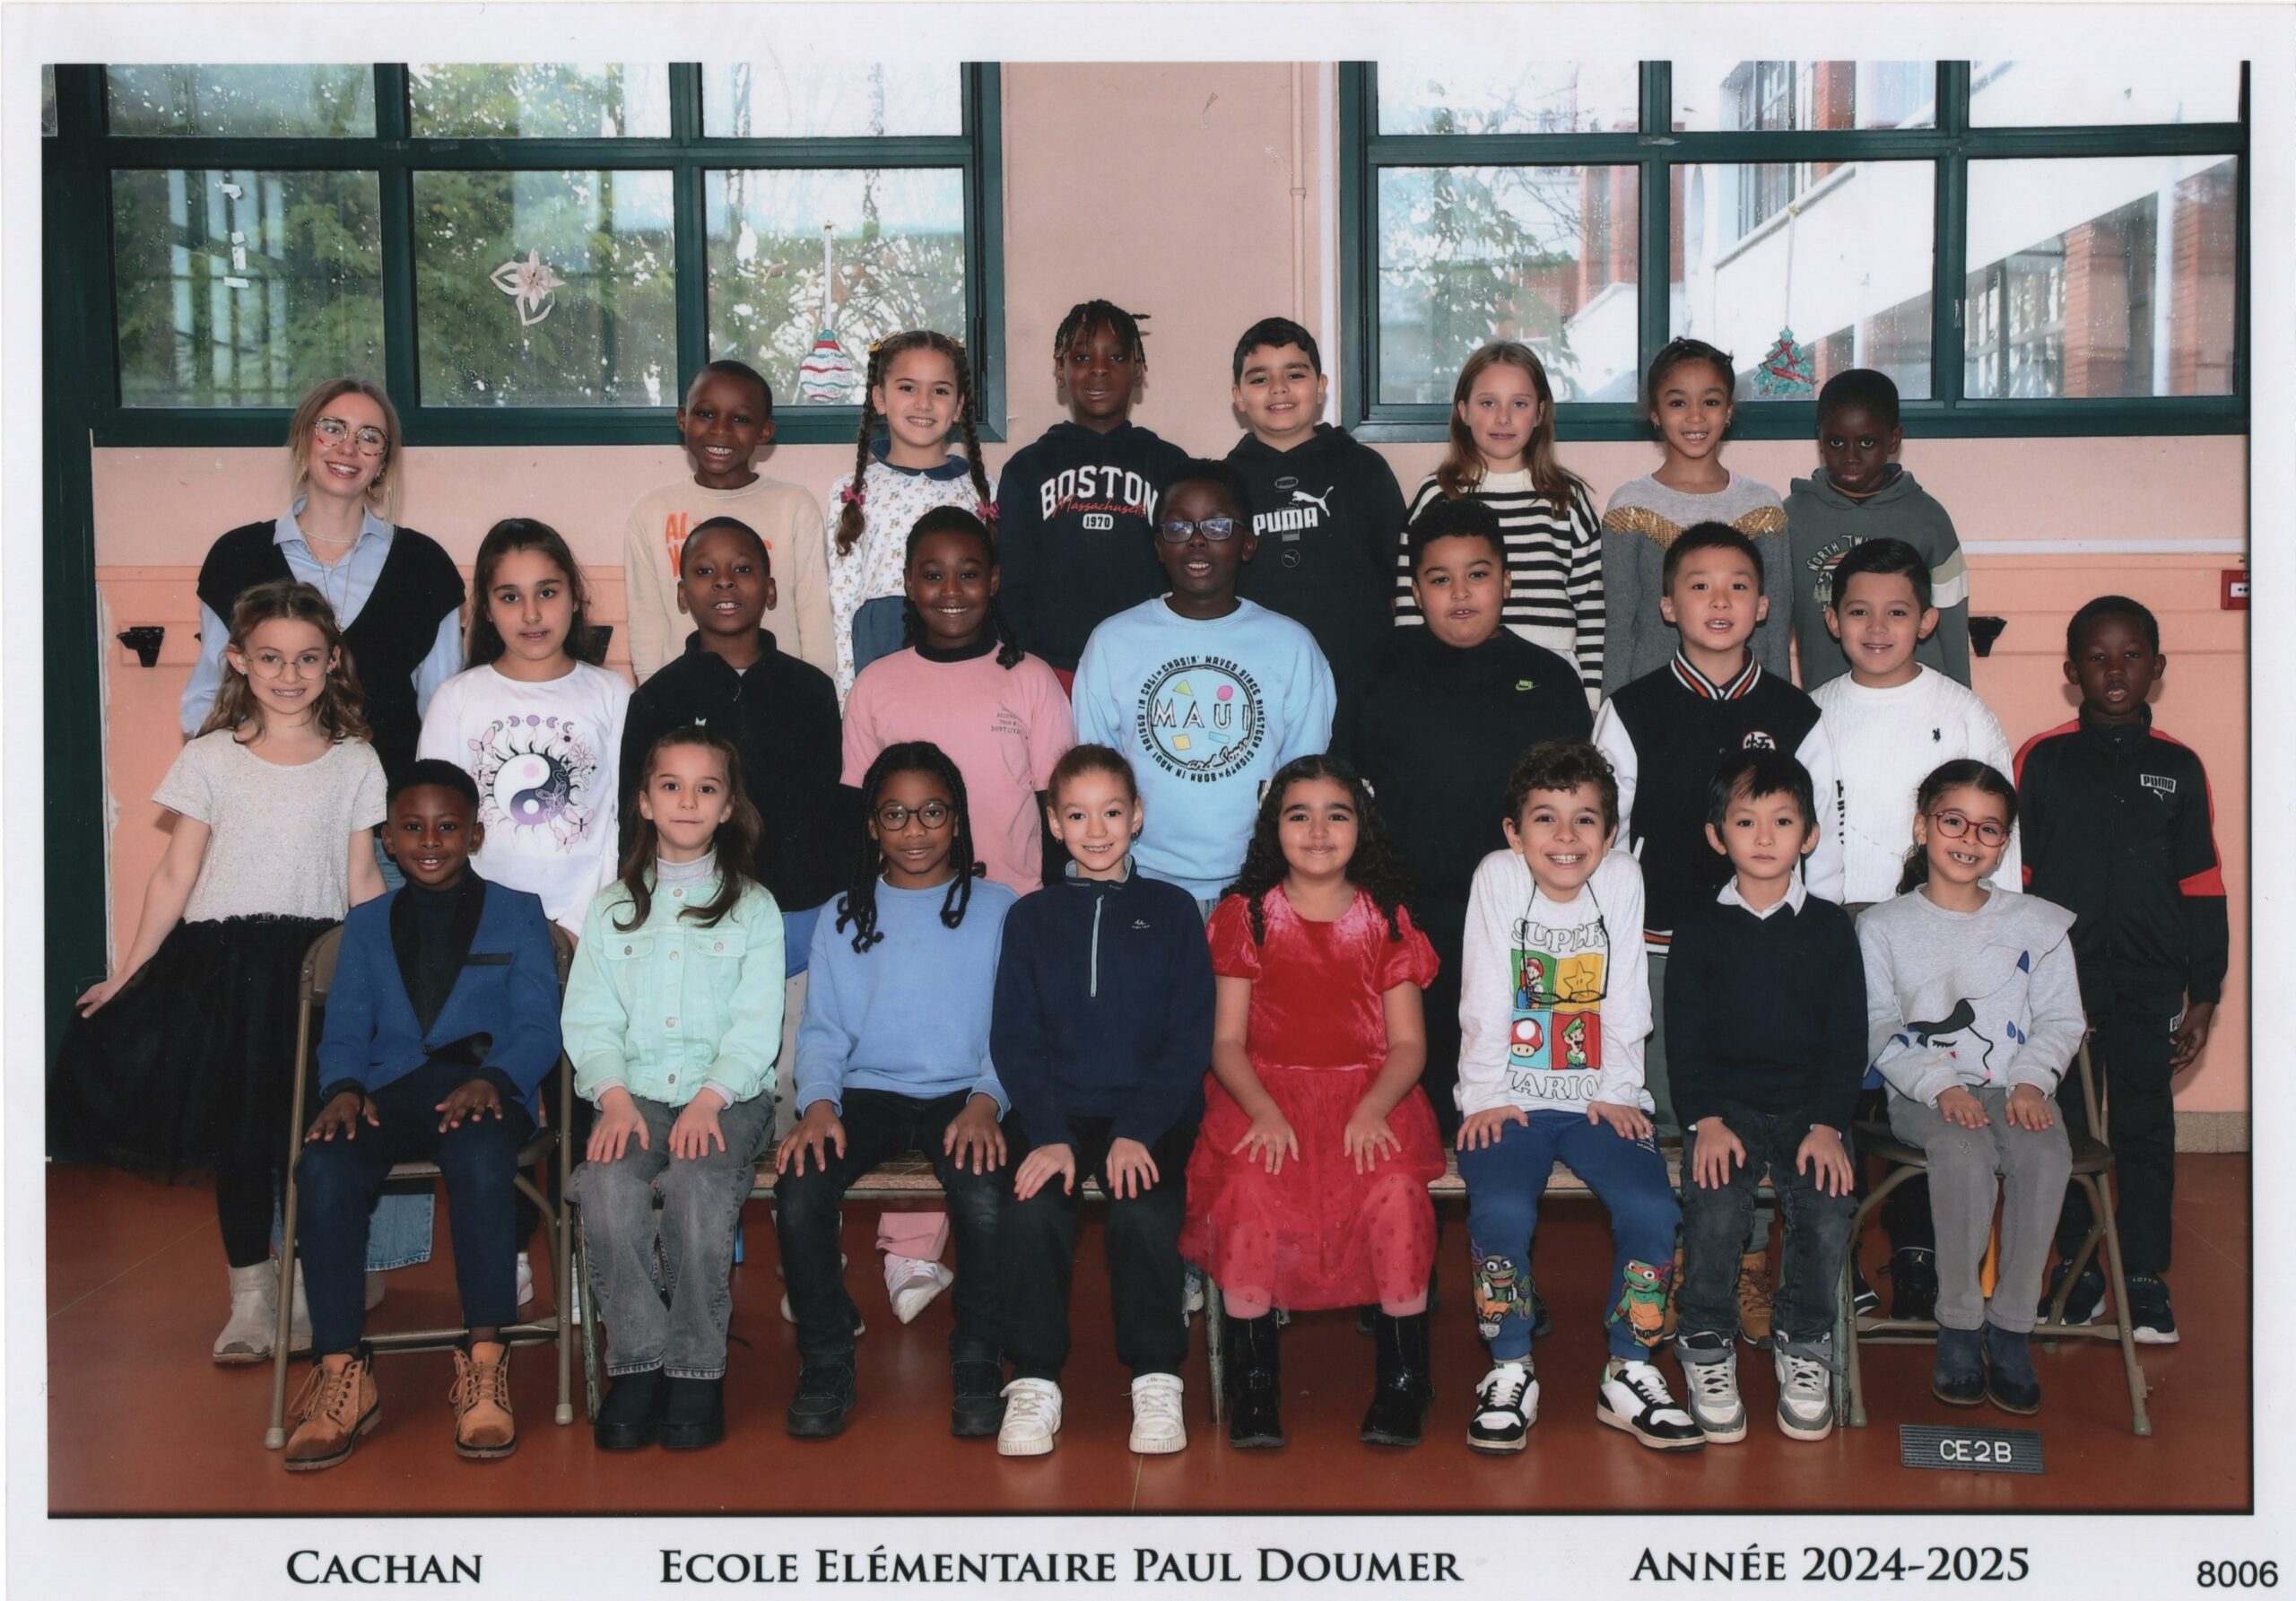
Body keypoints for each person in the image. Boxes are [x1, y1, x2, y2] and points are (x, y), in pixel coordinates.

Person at [55, 579, 386, 1363]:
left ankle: (303, 1286)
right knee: (239, 1138)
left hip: (314, 972)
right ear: (238, 659)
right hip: (224, 972)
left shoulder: (355, 761)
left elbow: (363, 879)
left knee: (306, 1137)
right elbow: (175, 873)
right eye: (270, 658)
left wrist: (384, 981)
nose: (289, 674)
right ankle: (250, 1294)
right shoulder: (209, 758)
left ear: (332, 661)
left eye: (307, 658)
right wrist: (129, 971)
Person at [176, 376, 448, 1284]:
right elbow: (202, 702)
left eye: (369, 436)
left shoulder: (424, 565)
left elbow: (441, 716)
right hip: (268, 838)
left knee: (375, 1041)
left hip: (383, 838)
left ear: (385, 460)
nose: (347, 447)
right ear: (305, 439)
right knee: (267, 1058)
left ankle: (362, 1260)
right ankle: (270, 1270)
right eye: (332, 428)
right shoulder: (236, 557)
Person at [1591, 520, 1842, 1348]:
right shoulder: (1631, 708)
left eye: (1738, 585)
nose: (1720, 600)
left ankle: (1748, 1268)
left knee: (1759, 1114)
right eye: (1699, 585)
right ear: (1668, 605)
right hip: (1661, 953)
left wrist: (1807, 948)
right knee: (1678, 1119)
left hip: (1767, 957)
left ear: (1764, 605)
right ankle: (1669, 1265)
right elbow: (1606, 844)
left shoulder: (1796, 713)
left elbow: (1824, 848)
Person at [282, 761, 561, 1471]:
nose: (430, 841)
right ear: (388, 837)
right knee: (324, 1162)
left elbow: (539, 1026)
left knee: (480, 1156)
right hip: (390, 1092)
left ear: (475, 833)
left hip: (485, 1091)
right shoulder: (366, 923)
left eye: (447, 827)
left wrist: (495, 1078)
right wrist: (343, 1086)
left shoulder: (519, 911)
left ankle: (485, 1357)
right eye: (412, 827)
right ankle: (341, 1370)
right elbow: (345, 1028)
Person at [842, 506, 1074, 1321]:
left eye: (969, 573)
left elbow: (1057, 808)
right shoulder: (878, 683)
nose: (951, 590)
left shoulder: (1030, 679)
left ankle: (999, 1242)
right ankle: (910, 1247)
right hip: (908, 916)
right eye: (932, 574)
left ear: (994, 580)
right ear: (908, 584)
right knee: (918, 1068)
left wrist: (1050, 914)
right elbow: (857, 811)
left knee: (993, 1071)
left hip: (1010, 915)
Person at [1178, 757, 1446, 1449]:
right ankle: (1254, 1381)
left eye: (1337, 814)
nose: (1319, 830)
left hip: (1370, 1096)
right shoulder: (1246, 917)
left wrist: (1374, 1107)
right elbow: (1226, 1042)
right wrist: (1264, 1110)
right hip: (1263, 1095)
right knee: (1249, 1189)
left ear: (1363, 826)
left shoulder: (1385, 918)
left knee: (1394, 1192)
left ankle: (1404, 1378)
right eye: (1300, 815)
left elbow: (1409, 1044)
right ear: (1275, 826)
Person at [1453, 740, 1700, 1455]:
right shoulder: (1498, 876)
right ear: (1514, 831)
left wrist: (1621, 1090)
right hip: (1510, 1099)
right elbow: (1484, 993)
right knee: (1501, 1210)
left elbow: (1626, 995)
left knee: (1653, 1209)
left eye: (1585, 819)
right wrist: (1483, 1095)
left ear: (1611, 832)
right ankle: (1509, 1366)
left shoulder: (1621, 878)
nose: (1566, 836)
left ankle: (1630, 1368)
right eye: (1545, 818)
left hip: (1599, 1099)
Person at [776, 743, 1016, 1441]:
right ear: (872, 825)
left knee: (984, 1192)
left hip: (965, 1094)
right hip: (867, 1092)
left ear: (958, 820)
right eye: (895, 814)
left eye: (932, 812)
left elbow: (1017, 1027)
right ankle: (826, 1356)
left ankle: (978, 1353)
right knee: (800, 1187)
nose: (915, 830)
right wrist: (819, 1104)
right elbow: (823, 1029)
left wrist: (988, 1099)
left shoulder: (1001, 909)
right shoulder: (842, 913)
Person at [1335, 495, 1592, 1137]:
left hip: (1519, 919)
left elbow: (1575, 812)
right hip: (1402, 916)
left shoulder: (1550, 678)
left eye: (1477, 574)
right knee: (1412, 1094)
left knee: (1509, 1095)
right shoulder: (1376, 667)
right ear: (1415, 589)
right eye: (1439, 578)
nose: (1459, 593)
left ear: (1506, 580)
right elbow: (1344, 790)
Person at [1813, 536, 2019, 1317]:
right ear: (1832, 620)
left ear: (1927, 620)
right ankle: (1836, 1262)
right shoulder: (1815, 712)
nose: (1877, 627)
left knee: (1929, 1093)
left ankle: (1918, 1254)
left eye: (1897, 612)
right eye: (1859, 611)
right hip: (1840, 932)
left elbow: (2002, 841)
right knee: (1841, 1100)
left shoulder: (1962, 712)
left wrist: (1992, 943)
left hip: (1940, 931)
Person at [563, 727, 785, 1452]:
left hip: (729, 1098)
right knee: (606, 1182)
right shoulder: (610, 909)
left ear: (727, 807)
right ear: (644, 802)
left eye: (706, 787)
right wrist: (612, 1096)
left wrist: (711, 1097)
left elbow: (756, 1026)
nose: (687, 800)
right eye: (671, 785)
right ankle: (638, 1358)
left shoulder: (753, 907)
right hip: (634, 1096)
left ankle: (694, 1364)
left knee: (694, 1184)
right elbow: (590, 1017)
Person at [991, 744, 1213, 1457]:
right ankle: (1033, 1378)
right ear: (1054, 823)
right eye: (1078, 815)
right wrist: (1048, 1132)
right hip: (1057, 1111)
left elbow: (1189, 1039)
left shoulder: (1173, 911)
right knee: (1032, 1208)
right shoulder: (1030, 918)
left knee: (1143, 1211)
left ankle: (1156, 1375)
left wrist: (1140, 1129)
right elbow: (1015, 1039)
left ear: (1137, 815)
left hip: (1152, 1112)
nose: (1096, 830)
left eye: (1112, 812)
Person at [2016, 596, 2226, 1344]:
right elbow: (2017, 881)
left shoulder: (2179, 766)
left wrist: (2205, 993)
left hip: (2149, 982)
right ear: (2071, 670)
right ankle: (2076, 1269)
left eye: (2131, 655)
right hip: (2060, 984)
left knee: (2144, 1128)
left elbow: (2203, 885)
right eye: (2098, 657)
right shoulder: (2042, 760)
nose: (2115, 670)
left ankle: (2142, 1275)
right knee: (2063, 1130)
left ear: (2157, 667)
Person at [1859, 760, 2083, 1414]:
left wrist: (2032, 1082)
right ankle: (1959, 1324)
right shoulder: (1882, 927)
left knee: (2045, 1155)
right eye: (1954, 821)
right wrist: (1938, 1086)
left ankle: (2011, 1326)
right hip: (1925, 1095)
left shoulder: (2040, 924)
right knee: (1962, 1152)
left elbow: (2062, 1019)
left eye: (1989, 828)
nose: (1969, 839)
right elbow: (1876, 1023)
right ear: (1923, 826)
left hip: (2017, 1090)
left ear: (2005, 842)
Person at [1666, 751, 1866, 1445]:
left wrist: (1829, 1123)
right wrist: (1705, 1119)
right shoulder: (1700, 927)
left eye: (1782, 821)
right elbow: (1684, 1039)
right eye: (1745, 821)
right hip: (1726, 1108)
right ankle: (1705, 1339)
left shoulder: (1832, 928)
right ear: (1717, 834)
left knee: (1828, 1206)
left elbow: (1848, 1039)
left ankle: (1804, 1339)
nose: (1763, 836)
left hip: (1810, 1110)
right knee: (1717, 1203)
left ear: (1809, 835)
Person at [1072, 459, 1336, 911]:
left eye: (1217, 525)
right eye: (1178, 526)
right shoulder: (1112, 643)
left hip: (1255, 886)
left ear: (1247, 544)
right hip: (1140, 882)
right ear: (1159, 546)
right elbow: (1095, 777)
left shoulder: (1291, 646)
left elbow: (1303, 781)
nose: (1196, 539)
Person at [418, 519, 631, 936]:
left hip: (589, 928)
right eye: (510, 597)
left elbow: (623, 821)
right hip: (478, 928)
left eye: (547, 593)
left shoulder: (612, 693)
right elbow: (439, 824)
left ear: (575, 597)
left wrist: (583, 924)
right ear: (487, 608)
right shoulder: (455, 699)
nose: (531, 614)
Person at [1391, 341, 1604, 706]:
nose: (1503, 418)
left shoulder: (1566, 498)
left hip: (1550, 678)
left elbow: (1592, 607)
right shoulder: (1437, 494)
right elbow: (1410, 602)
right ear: (1463, 411)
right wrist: (1411, 687)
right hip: (1456, 673)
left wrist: (1592, 700)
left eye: (1519, 404)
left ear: (1539, 413)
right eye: (1488, 403)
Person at [996, 300, 1189, 685]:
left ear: (1139, 370)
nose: (1099, 368)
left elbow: (1186, 571)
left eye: (1116, 357)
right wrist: (1026, 659)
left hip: (1148, 663)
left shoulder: (1170, 465)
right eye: (1082, 357)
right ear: (1060, 370)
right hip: (1051, 667)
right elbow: (1011, 581)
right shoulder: (1027, 468)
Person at [1222, 316, 1408, 711]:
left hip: (1360, 680)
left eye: (1295, 375)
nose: (1279, 388)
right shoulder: (1222, 484)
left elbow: (1402, 580)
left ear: (1321, 387)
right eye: (1260, 379)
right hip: (1256, 681)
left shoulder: (1364, 469)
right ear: (1238, 396)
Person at [623, 360, 836, 683]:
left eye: (740, 419)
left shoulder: (794, 506)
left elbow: (814, 614)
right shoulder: (651, 511)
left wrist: (818, 693)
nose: (720, 430)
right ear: (683, 418)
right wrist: (654, 698)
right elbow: (646, 620)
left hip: (780, 692)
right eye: (705, 414)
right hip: (685, 695)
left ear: (764, 431)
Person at [1599, 339, 1791, 692]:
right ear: (1655, 413)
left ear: (1729, 410)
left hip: (1744, 701)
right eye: (1678, 403)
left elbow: (1776, 629)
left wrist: (1781, 709)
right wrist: (1613, 711)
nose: (1696, 416)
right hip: (1653, 701)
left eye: (1711, 402)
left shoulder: (1763, 506)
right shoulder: (1628, 506)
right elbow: (1620, 628)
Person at [825, 330, 999, 700]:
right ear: (880, 398)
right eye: (907, 388)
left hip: (963, 644)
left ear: (958, 405)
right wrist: (848, 698)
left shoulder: (984, 491)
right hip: (881, 647)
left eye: (940, 391)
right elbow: (843, 605)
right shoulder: (853, 491)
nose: (924, 403)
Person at [1786, 369, 1973, 692]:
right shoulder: (1791, 518)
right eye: (1836, 442)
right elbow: (1772, 624)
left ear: (1894, 439)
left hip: (1919, 701)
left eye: (1867, 442)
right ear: (1820, 439)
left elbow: (1953, 620)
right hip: (1828, 700)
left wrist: (1960, 697)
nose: (1851, 457)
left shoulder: (1928, 519)